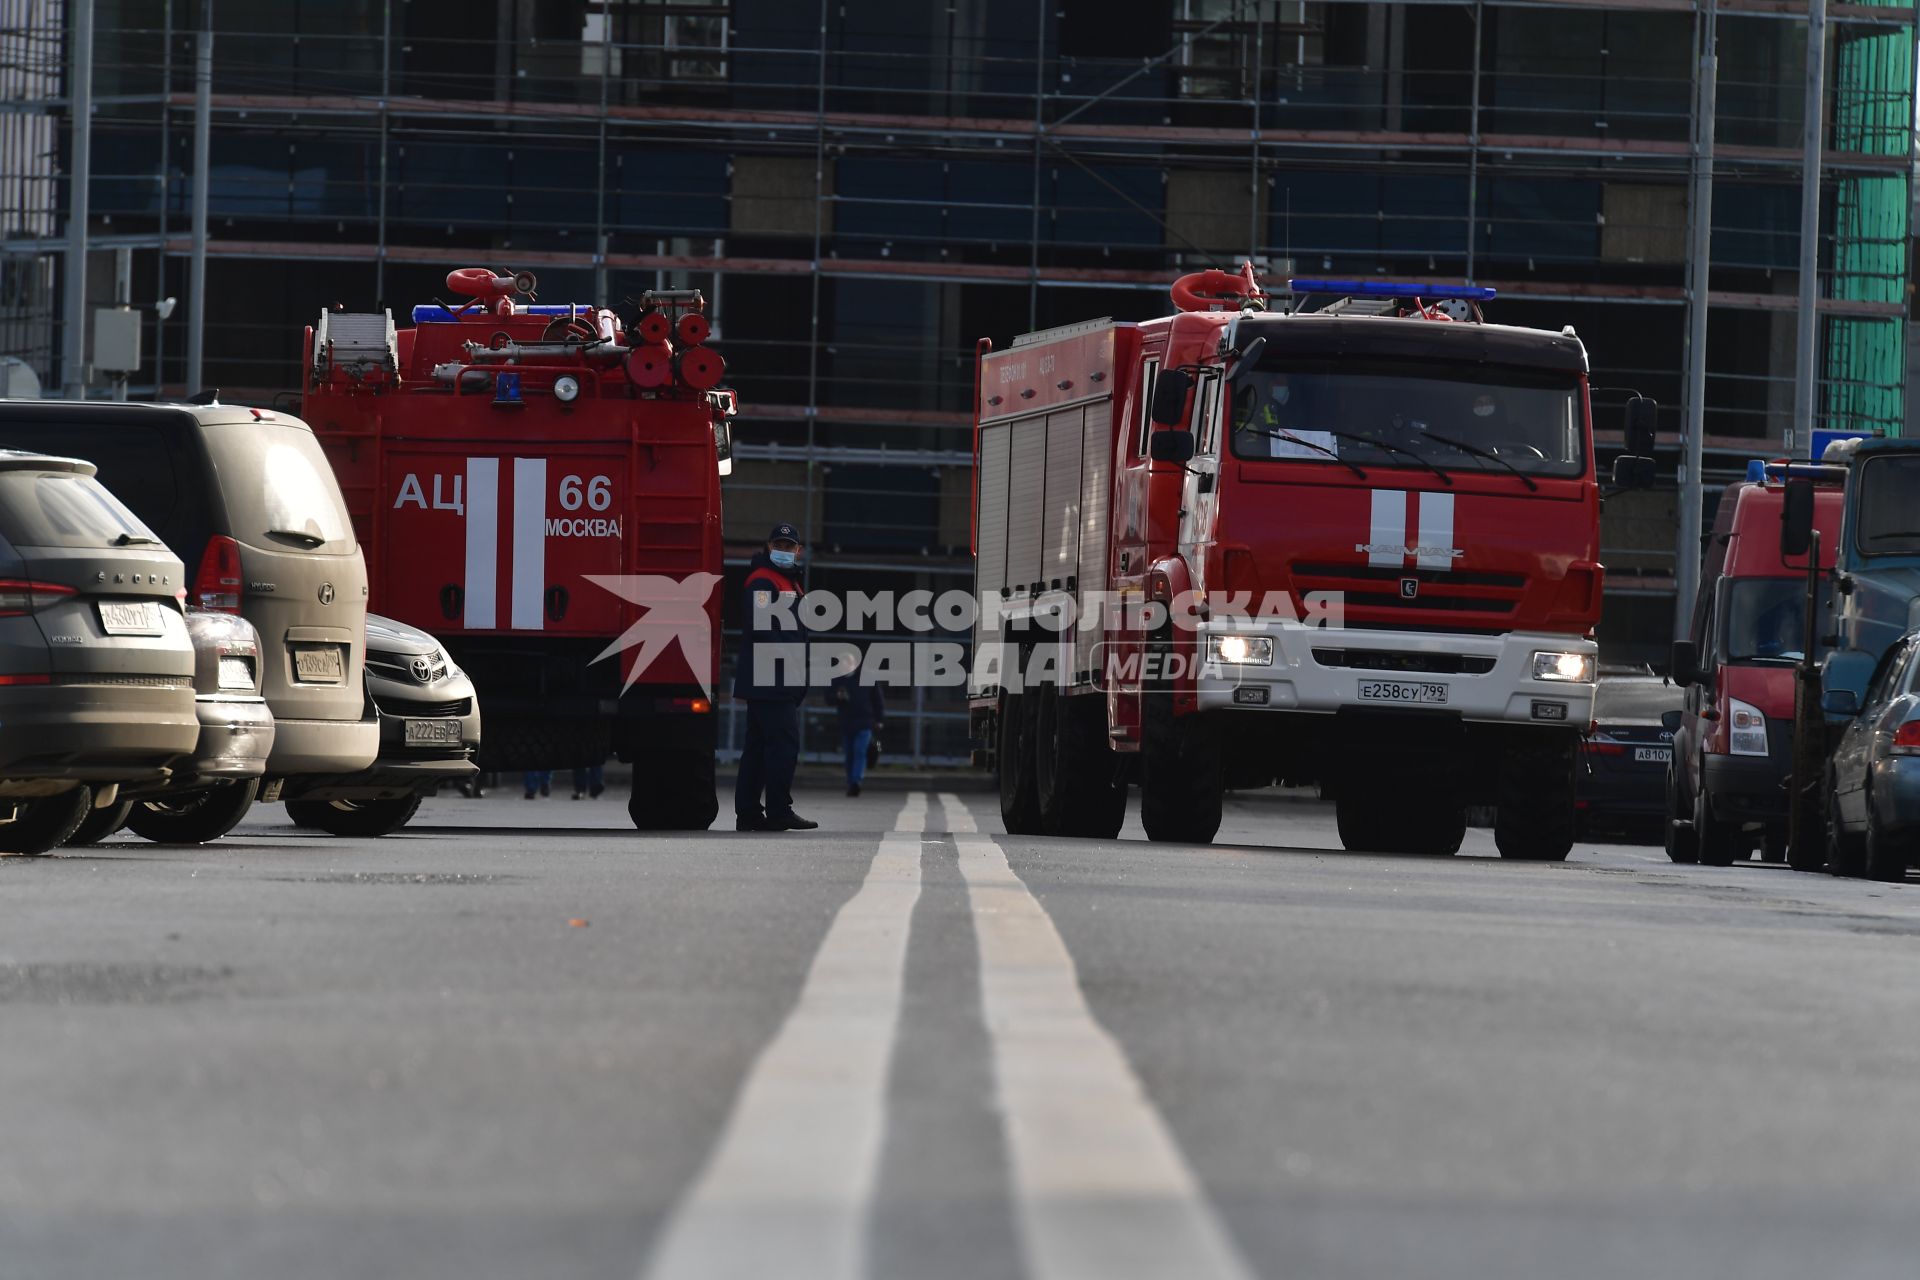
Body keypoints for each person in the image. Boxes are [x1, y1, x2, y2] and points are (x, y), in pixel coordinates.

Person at [733, 522, 819, 832]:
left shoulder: (787, 582)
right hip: (772, 679)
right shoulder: (763, 582)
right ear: (769, 546)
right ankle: (779, 810)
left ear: (799, 550)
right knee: (783, 746)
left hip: (774, 679)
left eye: (789, 546)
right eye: (779, 545)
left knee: (758, 749)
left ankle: (749, 814)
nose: (784, 550)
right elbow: (762, 628)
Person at [831, 655, 886, 797]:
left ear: (855, 663)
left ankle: (856, 781)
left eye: (848, 662)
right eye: (843, 662)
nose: (846, 665)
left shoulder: (868, 678)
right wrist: (838, 697)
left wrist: (879, 719)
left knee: (860, 751)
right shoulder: (837, 680)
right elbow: (829, 698)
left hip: (864, 723)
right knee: (850, 754)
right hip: (846, 723)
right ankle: (851, 781)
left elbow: (878, 700)